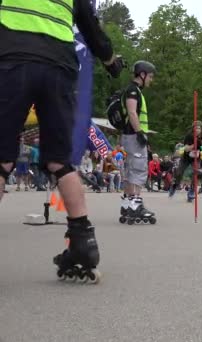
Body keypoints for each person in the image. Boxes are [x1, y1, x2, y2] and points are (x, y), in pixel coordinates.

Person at [0, 0, 125, 282]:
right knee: (60, 160)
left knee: (2, 157)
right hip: (59, 68)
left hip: (12, 59)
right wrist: (111, 62)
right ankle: (84, 245)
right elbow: (91, 29)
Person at [119, 60, 156, 222]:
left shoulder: (133, 90)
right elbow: (132, 113)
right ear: (142, 74)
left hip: (129, 136)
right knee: (138, 169)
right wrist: (140, 132)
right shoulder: (133, 91)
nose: (151, 80)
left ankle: (127, 203)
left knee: (129, 169)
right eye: (150, 76)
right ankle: (135, 205)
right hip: (134, 136)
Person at [169, 121, 202, 198]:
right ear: (193, 128)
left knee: (196, 173)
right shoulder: (189, 136)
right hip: (186, 157)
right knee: (179, 172)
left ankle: (191, 191)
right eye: (196, 128)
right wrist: (194, 145)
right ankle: (174, 186)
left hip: (196, 158)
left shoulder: (201, 138)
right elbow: (186, 149)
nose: (198, 129)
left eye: (199, 128)